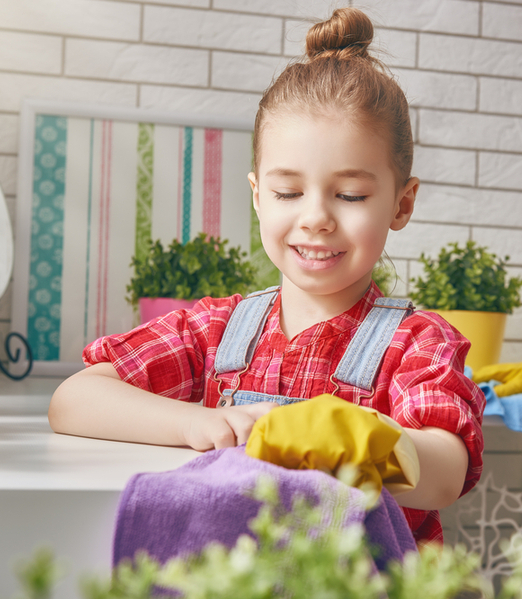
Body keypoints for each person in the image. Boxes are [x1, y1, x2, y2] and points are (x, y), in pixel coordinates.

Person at [48, 7, 484, 547]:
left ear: (402, 202)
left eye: (350, 195)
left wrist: (360, 439)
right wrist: (191, 424)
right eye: (287, 192)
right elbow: (74, 400)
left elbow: (444, 472)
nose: (316, 217)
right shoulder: (215, 331)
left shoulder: (417, 343)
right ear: (257, 196)